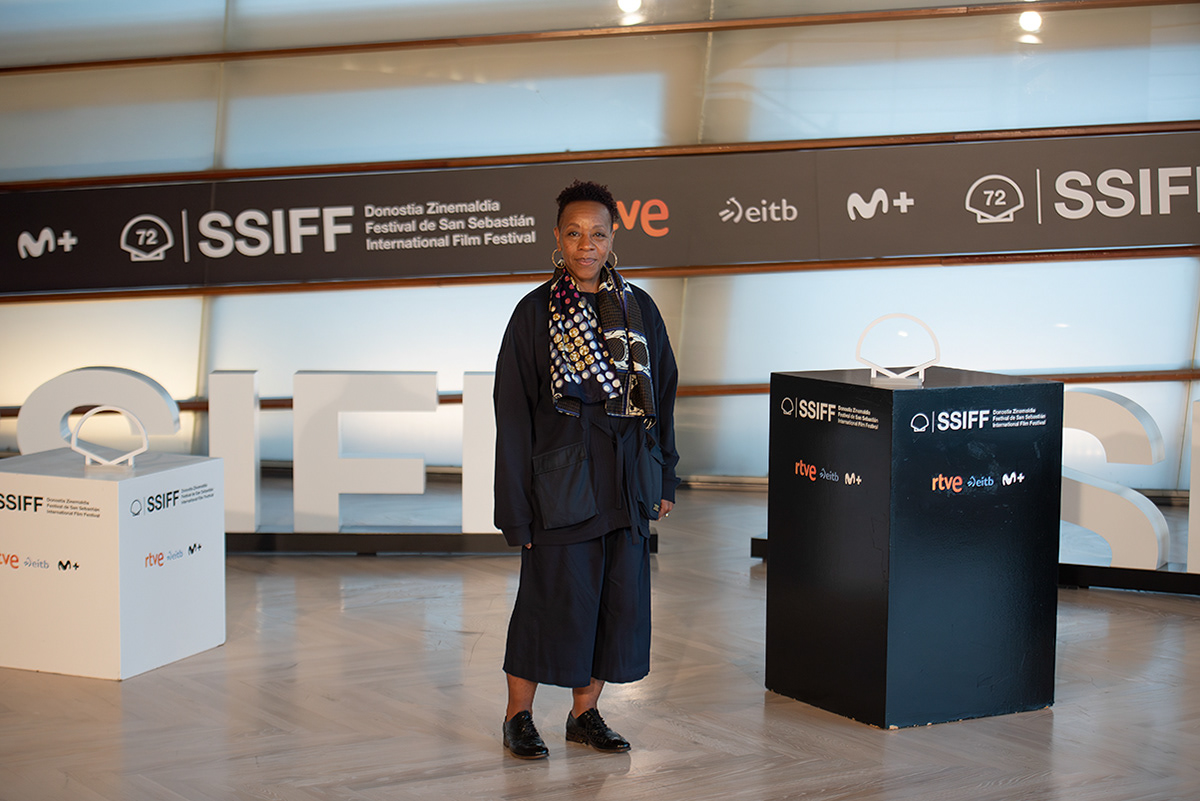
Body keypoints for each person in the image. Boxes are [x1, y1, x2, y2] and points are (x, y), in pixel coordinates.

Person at [493, 179, 680, 759]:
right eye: (574, 233)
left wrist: (664, 475)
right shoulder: (534, 313)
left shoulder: (637, 307)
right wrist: (515, 508)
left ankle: (584, 714)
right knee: (547, 602)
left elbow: (663, 393)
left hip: (625, 479)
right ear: (557, 237)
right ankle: (518, 717)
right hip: (561, 482)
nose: (586, 245)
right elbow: (512, 413)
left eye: (597, 233)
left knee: (614, 604)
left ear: (613, 236)